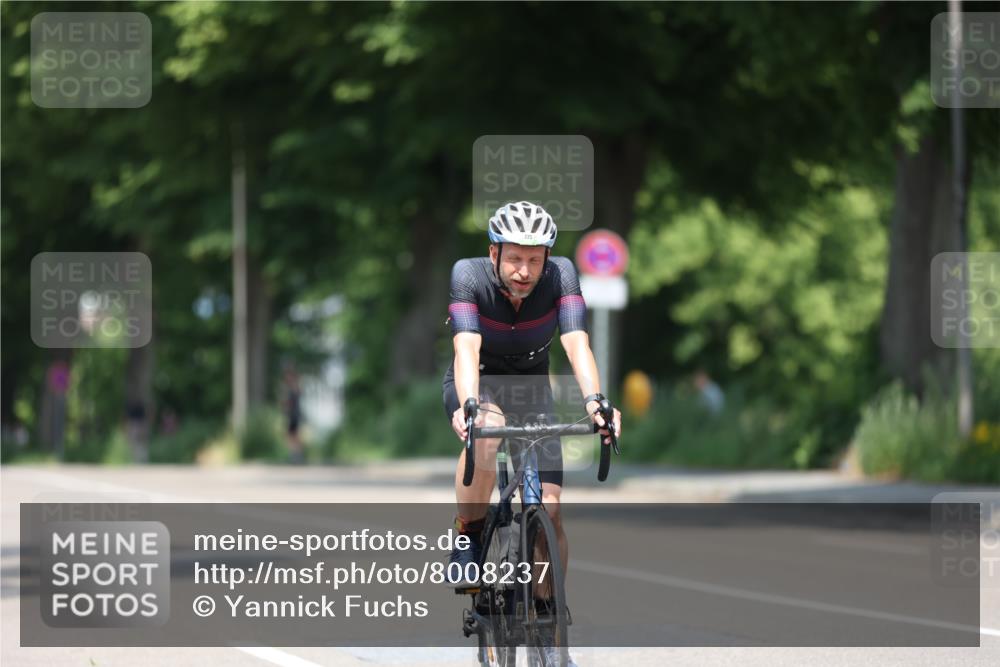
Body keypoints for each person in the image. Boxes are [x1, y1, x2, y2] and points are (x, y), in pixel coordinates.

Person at [442, 201, 621, 667]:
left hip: (532, 391)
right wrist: (470, 405)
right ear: (494, 252)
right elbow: (466, 347)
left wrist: (595, 402)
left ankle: (546, 618)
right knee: (489, 430)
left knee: (552, 508)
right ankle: (470, 533)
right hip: (478, 383)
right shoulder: (468, 276)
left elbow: (576, 342)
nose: (525, 271)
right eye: (515, 258)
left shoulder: (562, 276)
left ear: (547, 259)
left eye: (534, 260)